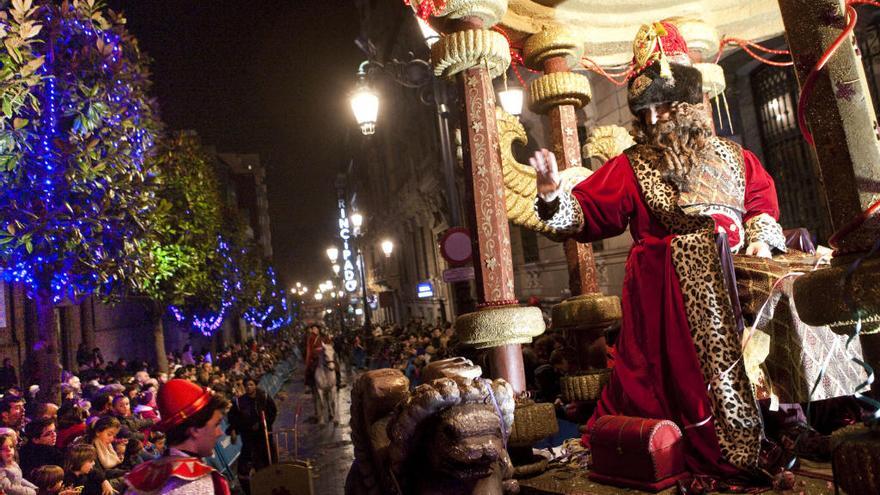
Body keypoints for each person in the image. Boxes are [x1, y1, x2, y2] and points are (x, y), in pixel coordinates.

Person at [531, 20, 786, 480]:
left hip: (741, 283)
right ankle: (707, 445)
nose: (653, 120)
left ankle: (771, 431)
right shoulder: (633, 165)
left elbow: (761, 202)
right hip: (668, 297)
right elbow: (587, 214)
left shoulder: (734, 156)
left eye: (664, 106)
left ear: (688, 104)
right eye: (645, 110)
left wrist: (762, 239)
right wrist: (552, 194)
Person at [124, 379, 230, 495]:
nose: (220, 432)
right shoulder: (198, 482)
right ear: (194, 430)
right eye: (216, 425)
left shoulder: (143, 477)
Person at [227, 378, 276, 493]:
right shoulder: (239, 402)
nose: (249, 387)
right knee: (244, 468)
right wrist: (233, 430)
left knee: (268, 463)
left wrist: (262, 424)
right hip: (248, 439)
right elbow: (233, 418)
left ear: (255, 385)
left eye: (251, 384)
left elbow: (272, 412)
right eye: (246, 385)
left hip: (264, 437)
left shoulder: (264, 397)